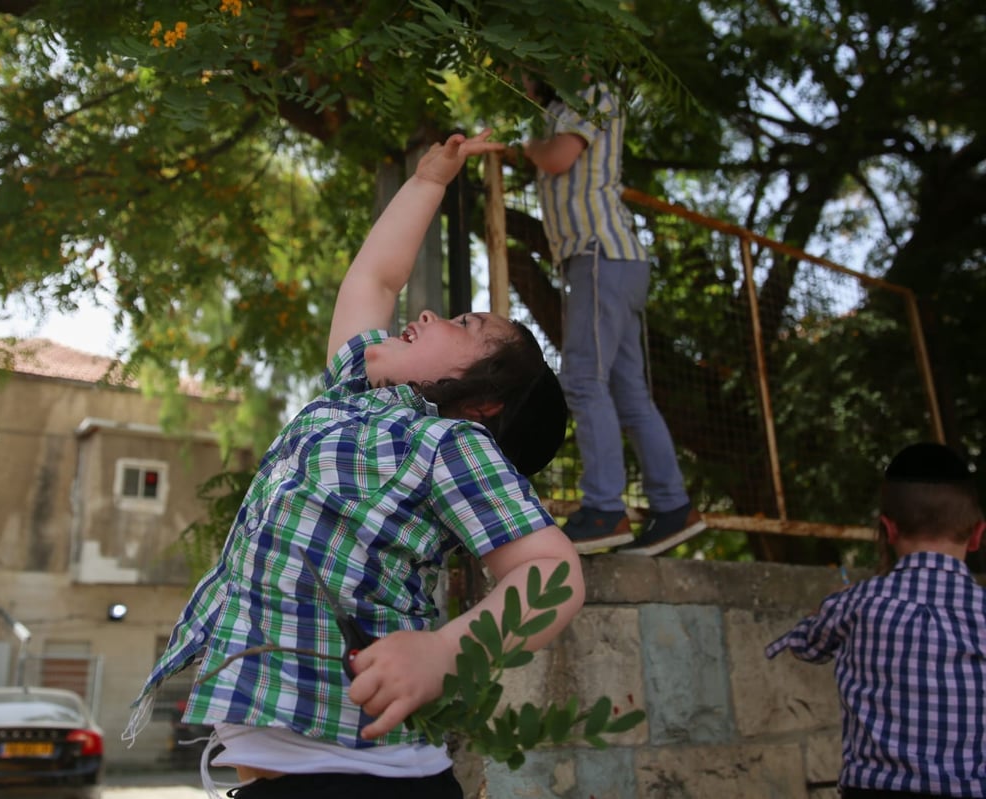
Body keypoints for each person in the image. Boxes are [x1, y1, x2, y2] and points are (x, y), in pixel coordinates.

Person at [123, 131, 585, 799]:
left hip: (369, 776)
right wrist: (429, 181)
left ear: (482, 400)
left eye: (463, 322)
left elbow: (554, 573)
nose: (426, 312)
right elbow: (375, 277)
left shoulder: (449, 446)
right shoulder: (352, 398)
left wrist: (445, 652)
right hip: (286, 772)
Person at [520, 74, 704, 556]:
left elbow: (558, 157)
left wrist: (525, 145)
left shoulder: (592, 94)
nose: (523, 71)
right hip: (611, 260)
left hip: (601, 254)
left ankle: (603, 510)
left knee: (582, 380)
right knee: (630, 394)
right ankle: (673, 509)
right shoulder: (563, 108)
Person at [766, 442, 986, 798]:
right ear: (977, 535)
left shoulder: (857, 603)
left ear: (888, 528)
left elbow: (804, 646)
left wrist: (821, 613)